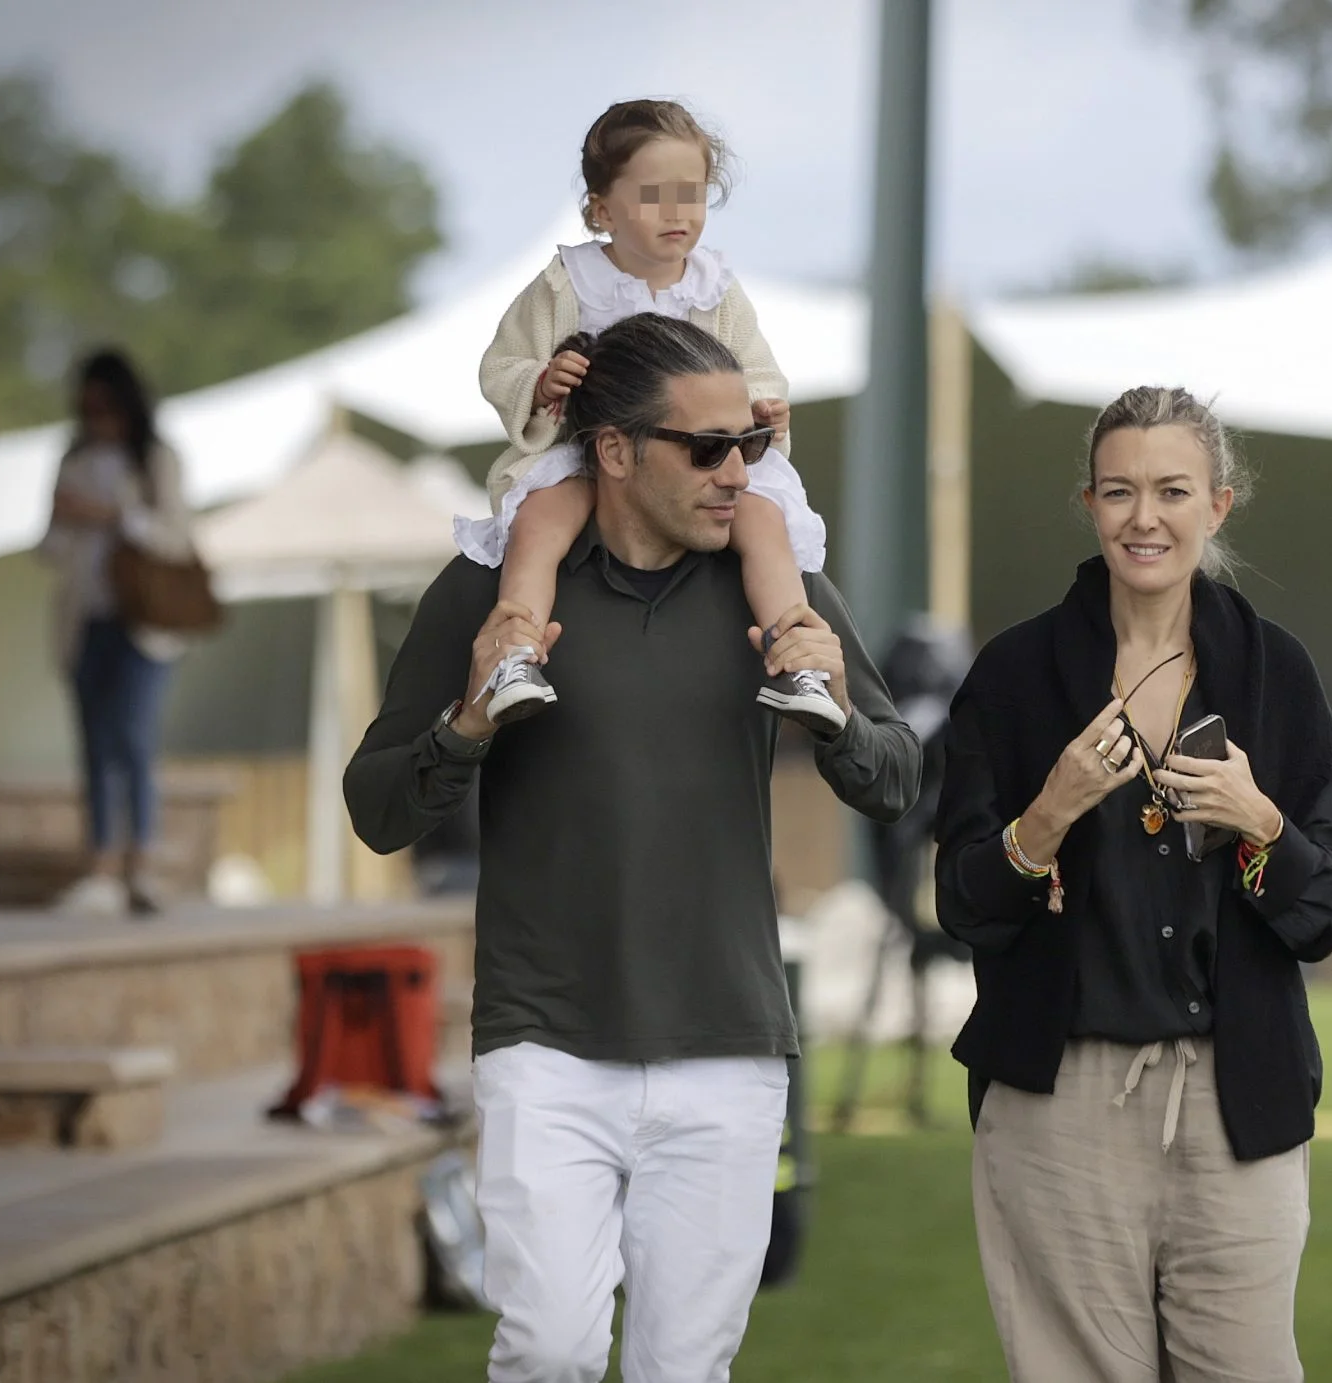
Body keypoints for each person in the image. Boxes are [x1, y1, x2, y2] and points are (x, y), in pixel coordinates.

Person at [344, 313, 920, 1383]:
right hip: (547, 1043)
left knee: (682, 1371)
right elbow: (378, 808)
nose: (736, 472)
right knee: (549, 1350)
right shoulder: (488, 591)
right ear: (614, 450)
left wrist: (832, 710)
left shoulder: (776, 583)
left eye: (747, 443)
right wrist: (467, 726)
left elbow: (895, 780)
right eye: (705, 449)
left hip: (732, 1047)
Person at [934, 386, 1332, 1382]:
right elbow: (965, 903)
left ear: (1219, 505)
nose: (1145, 517)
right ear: (1087, 502)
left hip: (1238, 1099)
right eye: (1120, 491)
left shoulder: (1277, 677)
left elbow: (1325, 913)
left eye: (1172, 490)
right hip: (1058, 1101)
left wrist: (1261, 821)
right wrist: (1049, 810)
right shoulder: (1013, 676)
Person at [462, 97, 842, 735]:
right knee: (538, 521)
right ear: (601, 207)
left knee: (764, 520)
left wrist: (762, 408)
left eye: (691, 195)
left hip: (692, 460)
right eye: (654, 196)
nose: (677, 214)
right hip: (584, 451)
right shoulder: (565, 283)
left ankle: (796, 657)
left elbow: (758, 369)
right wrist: (543, 379)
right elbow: (501, 364)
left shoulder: (717, 288)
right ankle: (516, 651)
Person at [37, 349, 198, 917]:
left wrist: (111, 514)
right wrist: (67, 516)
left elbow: (176, 539)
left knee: (133, 739)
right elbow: (51, 550)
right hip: (87, 622)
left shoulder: (156, 459)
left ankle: (141, 865)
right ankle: (100, 865)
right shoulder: (73, 460)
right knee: (95, 743)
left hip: (145, 626)